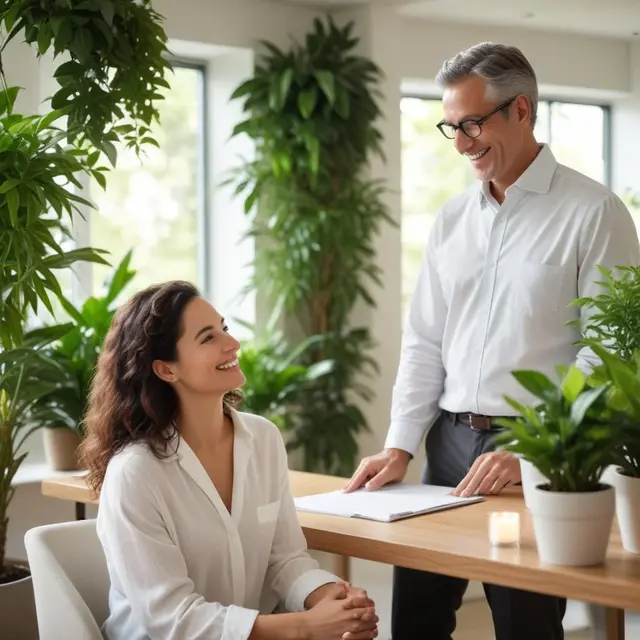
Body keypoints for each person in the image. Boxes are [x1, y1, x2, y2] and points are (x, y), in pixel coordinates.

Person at [344, 41, 640, 640]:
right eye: (450, 127)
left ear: (522, 111)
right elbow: (425, 340)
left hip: (535, 448)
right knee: (417, 624)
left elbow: (608, 350)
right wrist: (400, 444)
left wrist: (535, 451)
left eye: (473, 123)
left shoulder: (595, 212)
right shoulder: (452, 219)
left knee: (526, 626)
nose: (461, 143)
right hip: (446, 445)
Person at [80, 280, 379, 640]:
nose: (232, 344)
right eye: (208, 338)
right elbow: (172, 619)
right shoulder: (135, 472)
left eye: (224, 329)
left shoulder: (263, 438)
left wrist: (334, 599)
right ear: (165, 370)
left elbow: (284, 559)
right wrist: (307, 627)